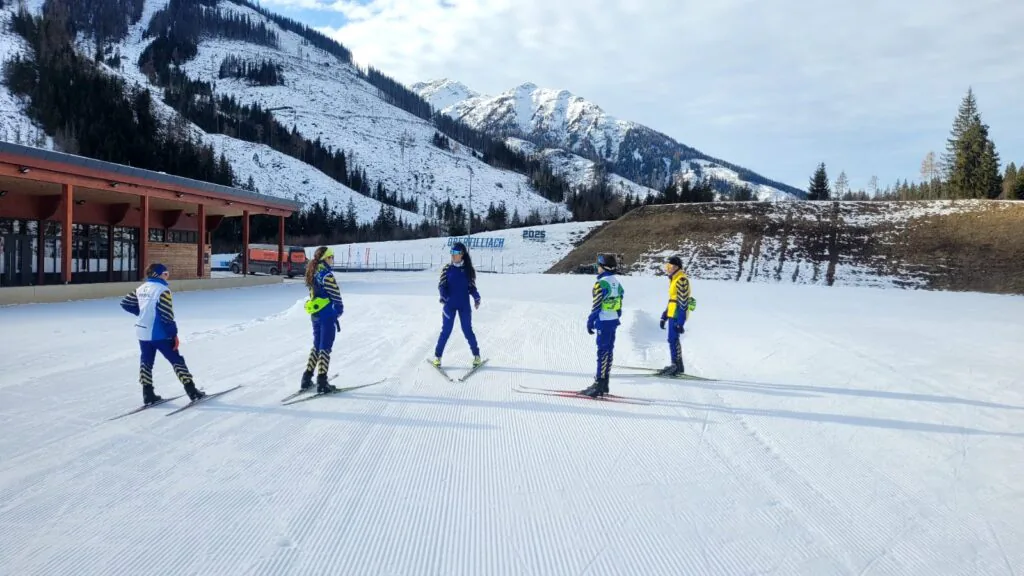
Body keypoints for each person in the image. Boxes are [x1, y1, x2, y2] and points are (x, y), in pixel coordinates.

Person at [120, 263, 205, 404]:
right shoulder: (162, 290)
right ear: (158, 274)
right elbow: (167, 316)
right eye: (165, 273)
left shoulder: (141, 288)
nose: (167, 275)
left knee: (146, 361)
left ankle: (148, 394)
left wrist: (142, 314)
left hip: (142, 331)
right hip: (159, 333)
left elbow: (125, 303)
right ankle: (192, 391)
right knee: (176, 360)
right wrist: (173, 335)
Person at [431, 241, 482, 367]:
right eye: (451, 252)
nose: (453, 255)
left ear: (462, 254)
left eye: (456, 253)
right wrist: (444, 296)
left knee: (467, 330)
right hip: (450, 305)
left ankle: (476, 356)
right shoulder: (447, 269)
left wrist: (476, 298)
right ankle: (437, 356)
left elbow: (472, 288)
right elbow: (442, 285)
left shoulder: (467, 270)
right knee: (446, 331)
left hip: (464, 305)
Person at [580, 253, 624, 398]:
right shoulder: (617, 283)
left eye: (598, 266)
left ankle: (599, 384)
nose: (597, 268)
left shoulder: (601, 283)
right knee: (608, 351)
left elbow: (597, 304)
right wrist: (616, 315)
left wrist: (590, 320)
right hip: (613, 320)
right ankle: (604, 383)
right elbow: (619, 303)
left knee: (602, 352)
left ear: (603, 268)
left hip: (603, 320)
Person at [301, 246, 344, 394]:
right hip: (326, 315)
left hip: (315, 314)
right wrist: (338, 311)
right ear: (326, 258)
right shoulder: (326, 275)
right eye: (331, 257)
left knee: (317, 346)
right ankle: (322, 382)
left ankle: (306, 379)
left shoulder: (313, 272)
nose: (333, 260)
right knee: (325, 347)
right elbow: (335, 295)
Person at [659, 255, 695, 376]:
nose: (668, 268)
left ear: (676, 267)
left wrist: (681, 322)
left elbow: (683, 303)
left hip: (678, 313)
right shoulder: (674, 279)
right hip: (672, 312)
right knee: (671, 339)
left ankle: (677, 366)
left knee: (673, 339)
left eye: (670, 266)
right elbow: (672, 300)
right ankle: (676, 364)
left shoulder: (681, 280)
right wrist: (664, 316)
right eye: (667, 266)